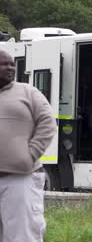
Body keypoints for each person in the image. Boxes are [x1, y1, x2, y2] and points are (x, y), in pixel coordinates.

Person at [0, 50, 56, 242]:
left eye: (12, 64)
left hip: (20, 179)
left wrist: (29, 155)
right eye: (4, 64)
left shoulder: (28, 92)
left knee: (22, 237)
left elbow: (47, 124)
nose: (10, 68)